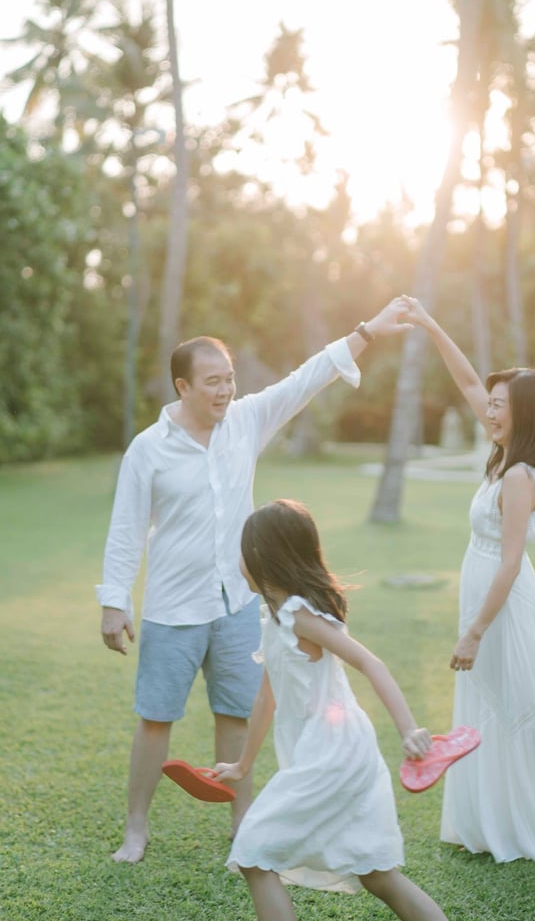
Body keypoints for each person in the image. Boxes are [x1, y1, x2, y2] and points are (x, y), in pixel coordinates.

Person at [97, 299, 411, 864]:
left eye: (230, 380)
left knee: (235, 714)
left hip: (240, 604)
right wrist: (113, 602)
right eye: (213, 382)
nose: (224, 391)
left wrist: (367, 330)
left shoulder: (245, 421)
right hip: (173, 606)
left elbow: (306, 378)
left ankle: (241, 824)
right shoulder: (149, 449)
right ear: (182, 386)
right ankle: (136, 828)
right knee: (154, 720)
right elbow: (126, 528)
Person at [212, 499, 504, 921]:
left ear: (263, 555)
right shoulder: (276, 615)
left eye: (243, 547)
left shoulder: (302, 616)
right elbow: (267, 694)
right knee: (377, 875)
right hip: (328, 752)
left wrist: (410, 730)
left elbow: (371, 663)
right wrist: (242, 765)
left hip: (335, 754)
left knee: (254, 853)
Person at [403, 296, 535, 865]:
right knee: (483, 707)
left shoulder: (520, 474)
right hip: (483, 593)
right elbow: (469, 378)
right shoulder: (502, 451)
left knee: (520, 707)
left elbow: (511, 562)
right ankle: (487, 825)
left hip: (504, 603)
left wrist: (473, 631)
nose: (488, 411)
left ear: (524, 413)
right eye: (489, 404)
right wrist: (428, 321)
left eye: (499, 406)